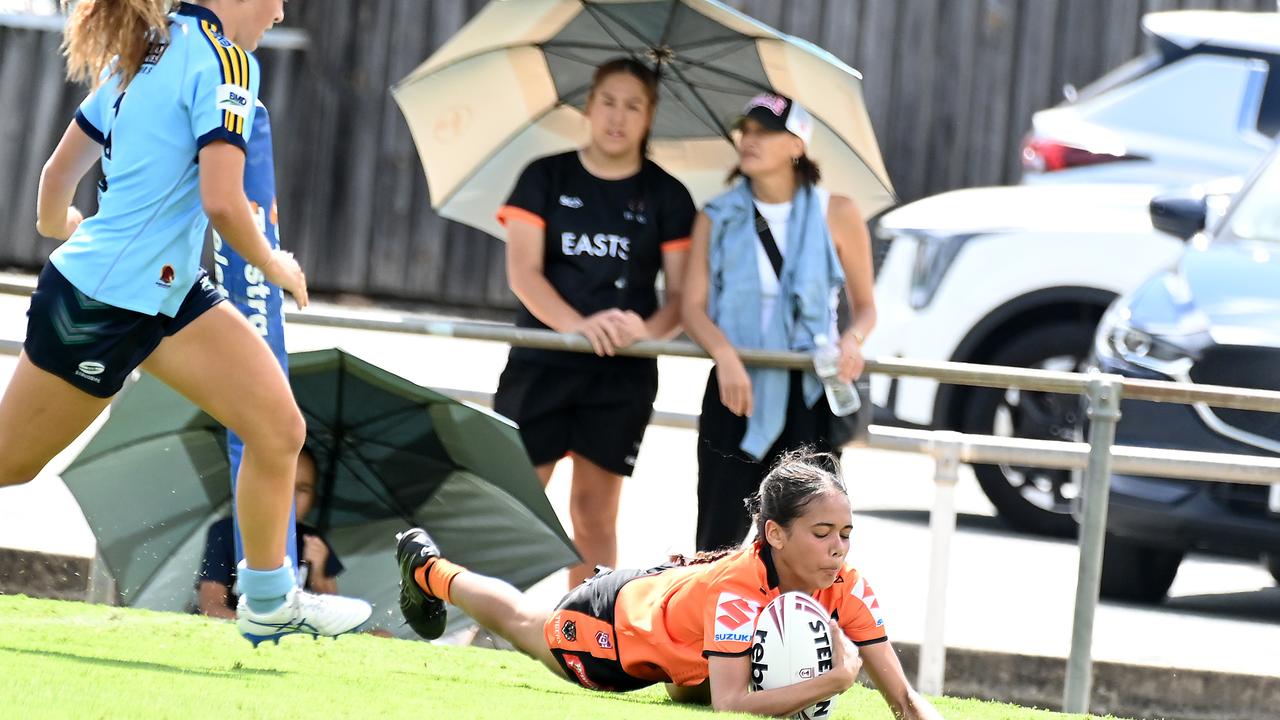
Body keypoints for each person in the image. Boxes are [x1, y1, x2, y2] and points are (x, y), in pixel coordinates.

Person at [1, 0, 369, 643]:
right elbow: (223, 201)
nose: (281, 12)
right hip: (102, 305)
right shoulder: (228, 60)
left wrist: (59, 227)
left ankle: (267, 601)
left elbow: (56, 178)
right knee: (10, 464)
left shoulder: (146, 47)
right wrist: (272, 263)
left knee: (279, 428)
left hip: (166, 297)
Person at [394, 449, 941, 719]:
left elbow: (906, 702)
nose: (839, 547)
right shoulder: (738, 592)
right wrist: (837, 677)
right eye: (822, 533)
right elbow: (732, 704)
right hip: (612, 623)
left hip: (675, 608)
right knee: (524, 625)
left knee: (700, 683)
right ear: (774, 533)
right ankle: (429, 570)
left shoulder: (844, 581)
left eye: (846, 532)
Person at [493, 57, 696, 588]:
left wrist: (645, 332)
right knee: (511, 501)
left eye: (634, 105)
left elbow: (679, 299)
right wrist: (579, 325)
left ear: (650, 116)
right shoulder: (543, 177)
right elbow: (524, 275)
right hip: (541, 361)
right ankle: (476, 625)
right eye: (608, 101)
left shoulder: (669, 196)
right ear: (588, 106)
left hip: (620, 374)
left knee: (593, 513)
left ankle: (587, 633)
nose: (617, 116)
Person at [681, 93, 878, 552]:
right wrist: (725, 356)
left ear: (797, 145)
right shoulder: (716, 216)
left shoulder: (839, 213)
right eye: (745, 130)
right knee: (717, 538)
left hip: (808, 391)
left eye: (765, 132)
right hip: (736, 387)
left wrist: (852, 339)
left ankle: (801, 625)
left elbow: (866, 307)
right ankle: (713, 625)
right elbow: (692, 308)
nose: (750, 140)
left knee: (810, 540)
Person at [198, 448, 344, 618]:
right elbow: (210, 605)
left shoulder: (313, 541)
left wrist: (319, 575)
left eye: (303, 489)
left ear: (313, 498)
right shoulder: (227, 532)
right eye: (283, 484)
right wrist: (261, 625)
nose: (291, 497)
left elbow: (335, 614)